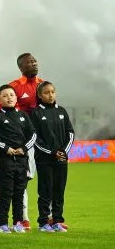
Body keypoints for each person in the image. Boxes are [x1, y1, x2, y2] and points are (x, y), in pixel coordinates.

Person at [0, 85, 36, 233]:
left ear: (16, 97)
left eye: (11, 95)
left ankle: (18, 222)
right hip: (4, 160)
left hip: (22, 159)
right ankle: (2, 223)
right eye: (5, 96)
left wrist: (24, 149)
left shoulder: (23, 116)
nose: (9, 98)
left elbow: (33, 135)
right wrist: (5, 148)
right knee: (6, 191)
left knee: (19, 191)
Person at [29, 82, 73, 233]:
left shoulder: (61, 111)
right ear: (40, 95)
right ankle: (43, 221)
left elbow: (70, 133)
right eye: (47, 92)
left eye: (53, 92)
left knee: (59, 190)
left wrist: (64, 152)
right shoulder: (35, 113)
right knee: (45, 190)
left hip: (61, 158)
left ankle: (58, 220)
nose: (50, 95)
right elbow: (35, 137)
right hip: (44, 159)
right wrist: (51, 152)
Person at [8, 53, 44, 230]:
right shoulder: (14, 87)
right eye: (29, 62)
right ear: (21, 67)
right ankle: (24, 217)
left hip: (44, 140)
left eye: (35, 61)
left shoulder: (44, 85)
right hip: (26, 140)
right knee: (24, 178)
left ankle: (50, 217)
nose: (34, 64)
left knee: (47, 177)